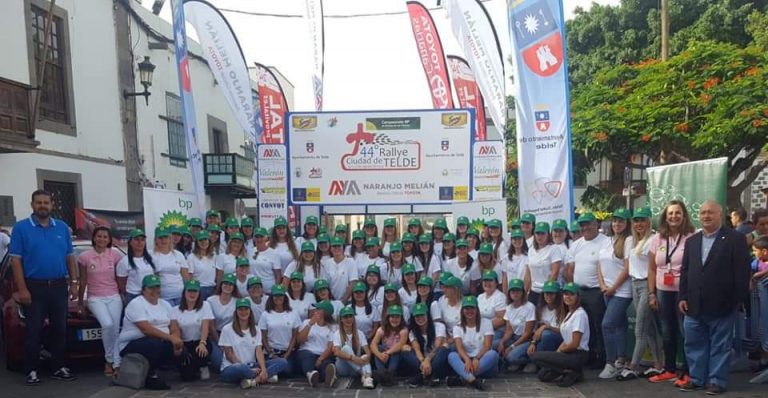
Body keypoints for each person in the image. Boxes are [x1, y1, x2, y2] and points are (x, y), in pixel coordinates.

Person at [677, 200, 751, 395]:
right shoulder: (692, 241)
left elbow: (742, 273)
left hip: (723, 303)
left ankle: (717, 381)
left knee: (720, 345)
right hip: (693, 303)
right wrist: (682, 296)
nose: (706, 216)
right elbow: (685, 271)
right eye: (702, 213)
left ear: (720, 215)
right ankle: (696, 379)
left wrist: (736, 300)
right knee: (693, 343)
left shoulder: (735, 239)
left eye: (710, 212)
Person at [9, 190, 78, 385]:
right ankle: (31, 370)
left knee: (59, 330)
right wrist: (22, 289)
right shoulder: (21, 228)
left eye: (46, 202)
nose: (42, 206)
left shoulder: (62, 228)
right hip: (34, 286)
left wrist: (74, 283)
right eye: (38, 202)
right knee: (33, 331)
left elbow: (70, 257)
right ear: (32, 205)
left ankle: (58, 367)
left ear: (52, 205)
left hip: (58, 286)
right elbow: (16, 262)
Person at [646, 200, 695, 385]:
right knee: (667, 331)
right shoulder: (657, 238)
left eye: (677, 213)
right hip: (663, 291)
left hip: (684, 292)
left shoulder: (692, 237)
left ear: (684, 215)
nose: (674, 216)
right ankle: (670, 369)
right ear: (665, 216)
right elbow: (651, 269)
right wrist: (651, 293)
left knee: (686, 331)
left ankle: (689, 371)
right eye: (670, 213)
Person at [617, 207, 665, 381]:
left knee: (640, 330)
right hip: (635, 284)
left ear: (649, 221)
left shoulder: (654, 239)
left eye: (642, 220)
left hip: (647, 285)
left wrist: (652, 292)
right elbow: (628, 265)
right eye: (636, 220)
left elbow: (656, 266)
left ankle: (633, 366)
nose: (638, 224)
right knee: (649, 328)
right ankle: (659, 365)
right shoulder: (630, 240)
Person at [117, 275, 182, 390]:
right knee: (154, 345)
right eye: (151, 288)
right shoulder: (136, 304)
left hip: (160, 340)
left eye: (157, 287)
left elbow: (174, 325)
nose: (155, 290)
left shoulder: (165, 304)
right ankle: (150, 375)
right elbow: (146, 330)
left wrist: (176, 340)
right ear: (143, 290)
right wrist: (171, 338)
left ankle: (165, 369)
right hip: (132, 343)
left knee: (182, 351)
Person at [565, 212, 610, 368]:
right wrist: (572, 290)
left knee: (598, 325)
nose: (585, 227)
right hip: (579, 292)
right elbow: (570, 268)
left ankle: (602, 357)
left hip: (596, 291)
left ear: (596, 224)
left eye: (588, 224)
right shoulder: (576, 244)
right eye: (582, 225)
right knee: (584, 327)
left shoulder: (606, 242)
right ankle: (588, 355)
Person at [77, 226, 123, 376]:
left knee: (116, 328)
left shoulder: (115, 255)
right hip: (95, 297)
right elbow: (82, 280)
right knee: (107, 324)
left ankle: (115, 363)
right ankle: (109, 359)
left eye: (105, 237)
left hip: (114, 296)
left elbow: (120, 277)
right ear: (94, 238)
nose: (102, 239)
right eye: (99, 236)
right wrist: (80, 303)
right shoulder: (85, 256)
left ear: (109, 240)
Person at [219, 298, 290, 388]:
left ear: (250, 311)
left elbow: (259, 351)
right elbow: (229, 355)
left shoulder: (256, 329)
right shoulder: (227, 329)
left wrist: (263, 369)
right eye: (240, 309)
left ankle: (254, 380)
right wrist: (249, 369)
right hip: (233, 367)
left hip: (252, 365)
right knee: (240, 368)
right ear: (236, 312)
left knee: (282, 362)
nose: (243, 312)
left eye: (246, 309)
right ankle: (264, 378)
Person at [531, 282, 590, 388]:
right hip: (568, 352)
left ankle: (573, 371)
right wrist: (557, 354)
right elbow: (566, 339)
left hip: (577, 354)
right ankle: (567, 371)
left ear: (578, 296)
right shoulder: (569, 313)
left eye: (571, 294)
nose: (568, 297)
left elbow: (574, 344)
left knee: (535, 356)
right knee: (543, 375)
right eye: (566, 294)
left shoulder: (580, 314)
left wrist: (560, 353)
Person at [596, 209, 633, 379]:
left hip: (622, 292)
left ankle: (610, 362)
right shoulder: (607, 240)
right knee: (619, 326)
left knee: (607, 325)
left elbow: (627, 269)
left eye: (621, 221)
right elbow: (599, 265)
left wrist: (613, 287)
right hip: (606, 290)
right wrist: (603, 284)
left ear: (627, 224)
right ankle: (621, 360)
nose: (617, 224)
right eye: (615, 221)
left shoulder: (628, 241)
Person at [446, 296, 499, 390]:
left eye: (472, 308)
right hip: (466, 363)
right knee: (452, 355)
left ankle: (464, 378)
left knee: (493, 354)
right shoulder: (457, 327)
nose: (469, 311)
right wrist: (467, 360)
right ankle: (472, 380)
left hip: (483, 362)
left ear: (477, 309)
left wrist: (477, 358)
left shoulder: (486, 322)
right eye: (466, 308)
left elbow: (487, 345)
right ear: (462, 310)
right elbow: (459, 347)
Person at [511, 281, 565, 373]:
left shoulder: (563, 309)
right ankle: (532, 360)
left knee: (546, 334)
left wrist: (545, 327)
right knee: (511, 357)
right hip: (537, 340)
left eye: (552, 293)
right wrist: (533, 343)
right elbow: (535, 331)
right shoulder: (540, 308)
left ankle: (536, 362)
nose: (548, 296)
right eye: (546, 293)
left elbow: (563, 331)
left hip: (555, 341)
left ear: (558, 295)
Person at [171, 279, 214, 381]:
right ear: (184, 292)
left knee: (202, 351)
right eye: (189, 291)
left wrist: (202, 342)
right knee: (187, 377)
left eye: (195, 291)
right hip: (185, 343)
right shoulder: (175, 310)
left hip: (200, 341)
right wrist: (179, 347)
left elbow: (205, 326)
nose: (192, 294)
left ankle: (203, 365)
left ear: (199, 293)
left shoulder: (205, 306)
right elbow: (175, 330)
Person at [403, 302, 449, 387]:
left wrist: (428, 360)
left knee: (445, 346)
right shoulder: (413, 331)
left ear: (427, 315)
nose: (420, 318)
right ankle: (428, 374)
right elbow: (417, 350)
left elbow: (437, 346)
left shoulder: (439, 326)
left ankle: (421, 376)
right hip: (422, 359)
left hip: (435, 358)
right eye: (417, 316)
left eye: (422, 315)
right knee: (405, 348)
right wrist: (423, 362)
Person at [294, 300, 337, 387]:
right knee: (308, 357)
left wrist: (320, 359)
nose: (315, 310)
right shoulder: (306, 322)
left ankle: (327, 377)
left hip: (323, 355)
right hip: (306, 352)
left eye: (318, 308)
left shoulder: (334, 327)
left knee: (326, 363)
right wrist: (310, 324)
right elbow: (299, 340)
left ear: (325, 312)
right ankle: (311, 374)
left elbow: (330, 346)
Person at [258, 285, 300, 372]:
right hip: (271, 351)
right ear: (271, 297)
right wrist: (271, 353)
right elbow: (263, 337)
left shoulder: (293, 313)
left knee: (288, 371)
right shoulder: (265, 314)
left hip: (287, 351)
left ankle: (269, 373)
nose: (278, 298)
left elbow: (294, 336)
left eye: (280, 295)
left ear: (285, 297)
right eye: (275, 296)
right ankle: (268, 373)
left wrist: (287, 354)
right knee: (281, 367)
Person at [332, 306, 375, 389]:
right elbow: (336, 352)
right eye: (345, 317)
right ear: (341, 319)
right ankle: (364, 374)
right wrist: (353, 358)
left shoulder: (360, 333)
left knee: (365, 356)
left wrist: (365, 358)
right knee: (345, 348)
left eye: (350, 316)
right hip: (343, 367)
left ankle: (367, 377)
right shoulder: (337, 334)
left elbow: (368, 352)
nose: (348, 319)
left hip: (355, 369)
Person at [498, 279, 536, 371]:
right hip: (514, 338)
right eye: (513, 291)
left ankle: (530, 361)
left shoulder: (530, 306)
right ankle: (514, 361)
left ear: (522, 292)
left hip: (526, 339)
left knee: (511, 357)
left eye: (518, 291)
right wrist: (502, 342)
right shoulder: (509, 308)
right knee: (495, 345)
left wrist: (512, 347)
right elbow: (509, 331)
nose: (515, 293)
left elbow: (527, 333)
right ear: (509, 293)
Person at [370, 305, 409, 386]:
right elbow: (373, 344)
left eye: (397, 317)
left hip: (396, 356)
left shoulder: (404, 330)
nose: (394, 319)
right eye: (392, 317)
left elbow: (401, 343)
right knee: (378, 348)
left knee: (396, 351)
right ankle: (382, 372)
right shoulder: (382, 329)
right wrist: (380, 355)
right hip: (384, 357)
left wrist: (387, 353)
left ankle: (390, 373)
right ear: (388, 318)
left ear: (401, 318)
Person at [206, 273, 238, 371]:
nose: (227, 286)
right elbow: (211, 325)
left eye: (230, 284)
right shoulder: (211, 300)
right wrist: (220, 343)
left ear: (234, 287)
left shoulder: (237, 301)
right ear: (221, 285)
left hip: (231, 336)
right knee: (219, 364)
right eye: (226, 283)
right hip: (215, 335)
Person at [525, 222, 563, 305]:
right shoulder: (531, 250)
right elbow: (528, 274)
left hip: (549, 292)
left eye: (543, 233)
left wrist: (548, 291)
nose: (540, 236)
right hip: (534, 292)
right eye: (537, 233)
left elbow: (555, 273)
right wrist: (525, 292)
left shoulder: (554, 248)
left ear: (548, 234)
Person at [117, 229, 156, 303]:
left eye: (142, 240)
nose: (140, 242)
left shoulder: (151, 258)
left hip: (150, 294)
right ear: (130, 242)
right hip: (133, 295)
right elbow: (121, 283)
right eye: (136, 239)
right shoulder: (124, 261)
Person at [152, 226, 186, 306]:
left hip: (180, 295)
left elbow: (185, 276)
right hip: (164, 297)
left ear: (169, 239)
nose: (163, 240)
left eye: (166, 237)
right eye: (160, 238)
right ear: (156, 240)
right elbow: (154, 277)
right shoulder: (152, 256)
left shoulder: (178, 254)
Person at [182, 231, 217, 300]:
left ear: (209, 241)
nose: (203, 242)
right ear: (196, 243)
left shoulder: (214, 256)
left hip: (212, 289)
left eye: (205, 239)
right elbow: (189, 277)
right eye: (201, 240)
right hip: (199, 289)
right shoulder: (191, 257)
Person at [751, 236, 768, 373]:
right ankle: (763, 360)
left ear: (764, 251)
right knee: (761, 329)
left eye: (755, 250)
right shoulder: (757, 262)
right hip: (760, 301)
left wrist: (760, 273)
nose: (754, 253)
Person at [477, 270, 507, 346]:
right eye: (485, 280)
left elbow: (501, 320)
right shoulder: (480, 297)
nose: (487, 283)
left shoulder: (500, 297)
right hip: (480, 329)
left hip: (496, 330)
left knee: (479, 343)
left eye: (490, 280)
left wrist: (483, 328)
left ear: (496, 283)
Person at [323, 236, 357, 303]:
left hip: (347, 301)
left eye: (339, 246)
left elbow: (353, 283)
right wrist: (332, 300)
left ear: (343, 248)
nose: (336, 248)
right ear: (330, 248)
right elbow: (326, 284)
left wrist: (344, 301)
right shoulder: (327, 263)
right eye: (334, 246)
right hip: (331, 300)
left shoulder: (350, 261)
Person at [431, 275, 463, 345]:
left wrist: (452, 339)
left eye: (447, 287)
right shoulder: (441, 300)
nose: (444, 290)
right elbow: (440, 322)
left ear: (456, 289)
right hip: (446, 337)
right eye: (444, 287)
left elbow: (464, 326)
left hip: (461, 337)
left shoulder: (464, 304)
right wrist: (446, 338)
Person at [248, 227, 281, 293]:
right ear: (254, 238)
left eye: (261, 237)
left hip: (269, 291)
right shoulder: (249, 252)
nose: (259, 239)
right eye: (257, 237)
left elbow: (278, 276)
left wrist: (274, 291)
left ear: (266, 238)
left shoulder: (274, 253)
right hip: (253, 291)